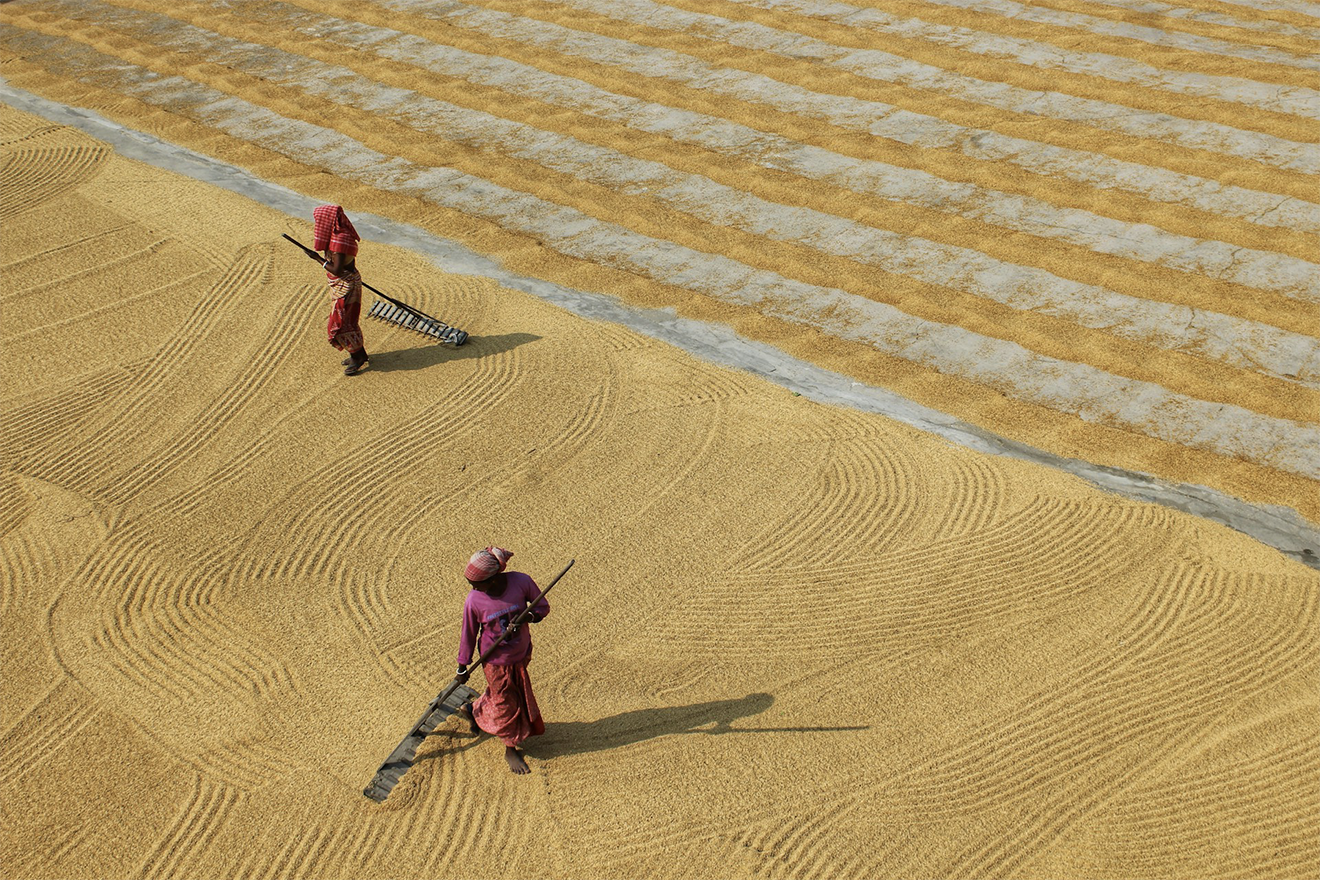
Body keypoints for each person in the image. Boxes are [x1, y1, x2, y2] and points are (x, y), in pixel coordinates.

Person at [454, 547, 549, 774]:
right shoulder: (474, 601)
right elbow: (468, 634)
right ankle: (510, 747)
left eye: (478, 584)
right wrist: (462, 666)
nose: (474, 589)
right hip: (495, 661)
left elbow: (542, 607)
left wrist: (529, 615)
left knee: (512, 694)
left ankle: (473, 709)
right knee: (506, 702)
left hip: (521, 652)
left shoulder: (521, 582)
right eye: (471, 584)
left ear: (495, 578)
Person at [312, 204, 369, 376]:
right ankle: (359, 354)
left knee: (342, 324)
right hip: (347, 283)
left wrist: (317, 259)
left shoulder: (339, 241)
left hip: (346, 287)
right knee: (348, 321)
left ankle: (357, 357)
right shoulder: (339, 234)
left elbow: (337, 270)